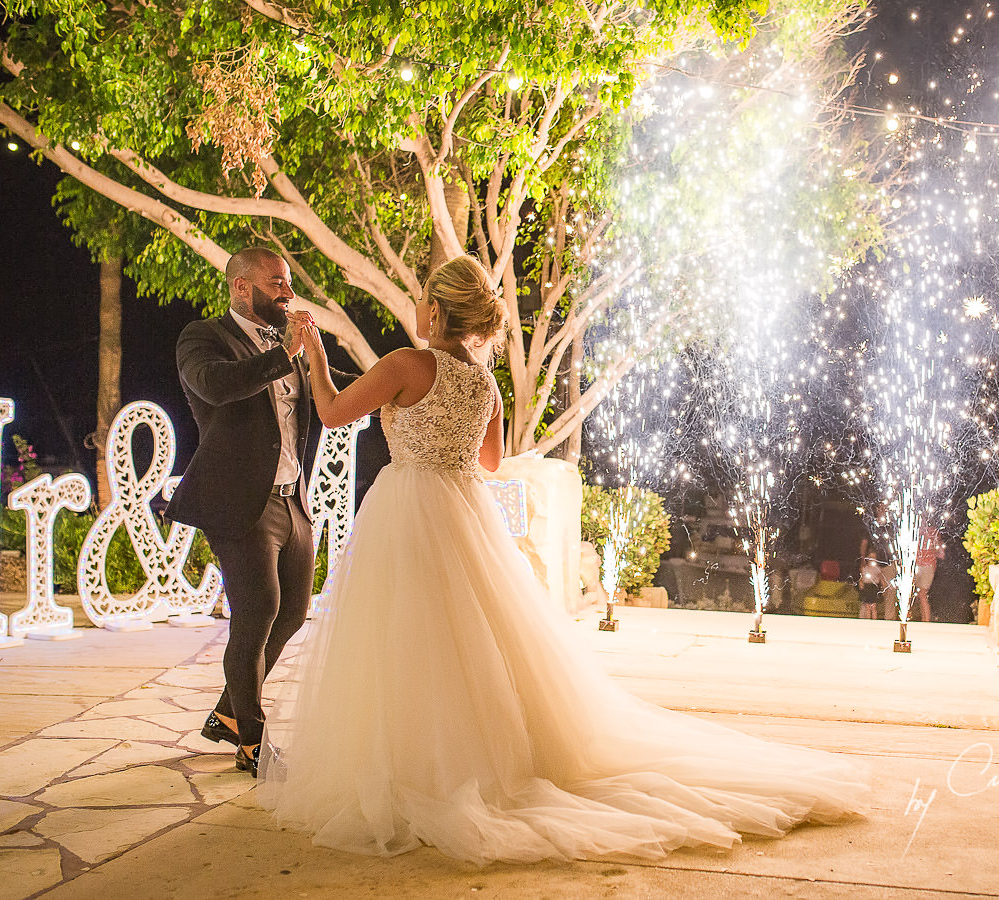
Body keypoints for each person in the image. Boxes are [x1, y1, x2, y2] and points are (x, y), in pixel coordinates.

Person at [259, 256, 866, 865]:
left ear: (437, 310)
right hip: (463, 509)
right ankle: (474, 758)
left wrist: (312, 350)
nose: (417, 307)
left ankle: (411, 766)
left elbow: (335, 411)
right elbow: (492, 461)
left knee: (404, 639)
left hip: (409, 506)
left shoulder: (406, 364)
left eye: (422, 298)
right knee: (473, 641)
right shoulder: (484, 382)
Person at [166, 247, 352, 777]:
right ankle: (252, 739)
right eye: (276, 282)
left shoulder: (287, 343)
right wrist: (281, 354)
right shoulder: (202, 337)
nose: (287, 292)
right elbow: (215, 387)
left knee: (293, 612)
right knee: (257, 613)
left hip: (292, 500)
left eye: (288, 282)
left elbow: (331, 395)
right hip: (239, 502)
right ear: (242, 287)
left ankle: (228, 709)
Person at [912, 525, 945, 623]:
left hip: (924, 565)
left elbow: (938, 549)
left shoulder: (932, 532)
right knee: (919, 594)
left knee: (921, 594)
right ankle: (923, 619)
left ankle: (925, 620)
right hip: (920, 565)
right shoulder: (918, 530)